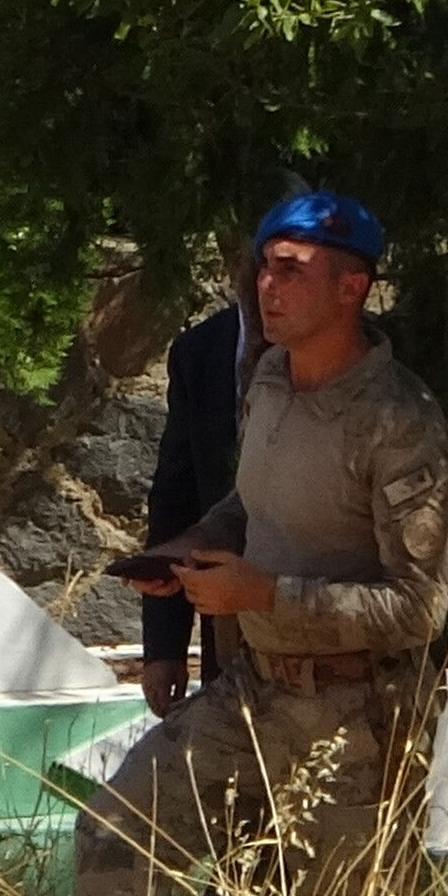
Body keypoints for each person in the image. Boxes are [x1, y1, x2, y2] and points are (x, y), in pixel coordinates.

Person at [81, 189, 448, 896]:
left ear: (351, 287)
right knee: (115, 833)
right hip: (251, 696)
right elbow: (250, 506)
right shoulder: (269, 381)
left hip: (360, 721)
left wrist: (265, 595)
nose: (266, 288)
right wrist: (184, 552)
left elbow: (418, 608)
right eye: (263, 269)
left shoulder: (400, 420)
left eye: (290, 271)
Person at [140, 288, 244, 718]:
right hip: (227, 642)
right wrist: (165, 648)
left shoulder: (364, 356)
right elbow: (176, 497)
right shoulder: (202, 350)